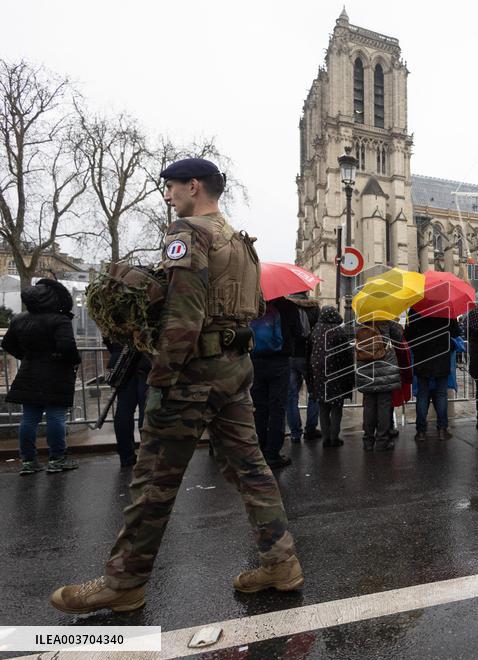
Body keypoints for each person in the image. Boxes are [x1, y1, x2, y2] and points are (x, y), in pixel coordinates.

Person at [51, 157, 302, 614]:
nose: (167, 196)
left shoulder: (188, 234)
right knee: (252, 470)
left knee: (153, 481)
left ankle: (124, 581)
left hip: (191, 376)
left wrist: (163, 376)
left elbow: (183, 315)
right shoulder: (240, 241)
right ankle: (280, 562)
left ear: (193, 186)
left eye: (171, 188)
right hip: (232, 370)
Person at [2, 278, 81, 475]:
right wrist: (72, 360)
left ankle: (28, 461)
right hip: (56, 373)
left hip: (29, 372)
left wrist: (27, 356)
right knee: (56, 416)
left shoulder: (19, 319)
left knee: (29, 418)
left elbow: (8, 345)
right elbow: (67, 347)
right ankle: (57, 459)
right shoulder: (60, 320)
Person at [250, 296, 302, 468]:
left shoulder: (252, 304)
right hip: (279, 362)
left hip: (255, 361)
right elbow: (298, 332)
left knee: (259, 407)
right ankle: (273, 453)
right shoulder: (287, 306)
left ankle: (260, 448)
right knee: (277, 407)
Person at [404, 309, 460, 442]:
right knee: (441, 395)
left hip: (422, 358)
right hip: (441, 357)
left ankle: (421, 432)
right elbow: (456, 332)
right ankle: (442, 430)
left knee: (422, 395)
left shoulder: (416, 309)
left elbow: (408, 335)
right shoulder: (446, 308)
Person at [306, 306, 353, 448]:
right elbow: (346, 355)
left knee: (323, 407)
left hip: (319, 374)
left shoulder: (315, 330)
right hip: (337, 374)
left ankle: (326, 438)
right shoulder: (339, 331)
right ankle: (334, 437)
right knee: (337, 407)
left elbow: (309, 352)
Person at [355, 317, 403, 450]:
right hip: (385, 368)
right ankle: (382, 441)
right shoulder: (387, 321)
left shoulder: (362, 321)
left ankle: (368, 441)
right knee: (384, 406)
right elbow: (399, 338)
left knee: (369, 406)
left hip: (366, 369)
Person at [106, 343, 151, 468]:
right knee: (146, 409)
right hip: (146, 362)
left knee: (124, 410)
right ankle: (147, 456)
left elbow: (108, 339)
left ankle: (126, 456)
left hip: (122, 363)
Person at [285, 293, 320, 444]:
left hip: (291, 355)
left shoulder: (287, 307)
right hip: (309, 355)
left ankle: (295, 433)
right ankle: (310, 429)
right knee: (314, 393)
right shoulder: (314, 308)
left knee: (291, 396)